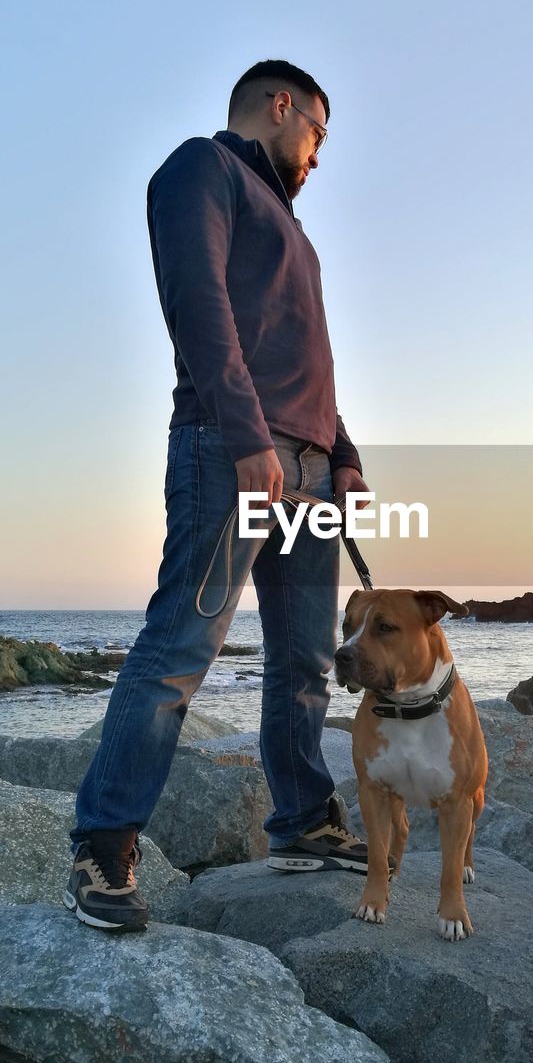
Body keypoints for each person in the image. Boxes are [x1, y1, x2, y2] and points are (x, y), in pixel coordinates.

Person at [65, 59, 371, 932]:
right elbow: (195, 303)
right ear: (282, 107)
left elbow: (309, 358)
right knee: (181, 646)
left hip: (307, 463)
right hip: (232, 446)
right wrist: (246, 436)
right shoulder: (204, 167)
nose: (316, 156)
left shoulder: (295, 233)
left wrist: (341, 457)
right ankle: (102, 844)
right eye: (317, 133)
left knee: (306, 658)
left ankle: (303, 819)